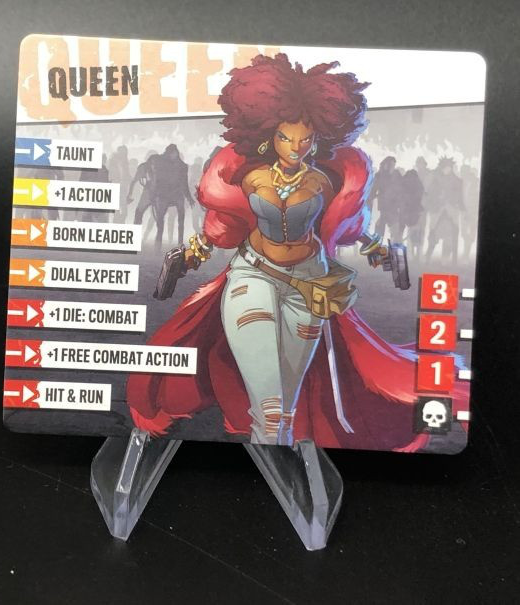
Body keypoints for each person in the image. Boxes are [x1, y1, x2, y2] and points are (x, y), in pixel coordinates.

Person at [126, 54, 468, 451]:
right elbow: (225, 222)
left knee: (286, 404)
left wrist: (379, 248)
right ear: (269, 135)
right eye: (286, 138)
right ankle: (268, 463)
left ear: (317, 137)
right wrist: (192, 253)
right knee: (270, 408)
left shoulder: (326, 182)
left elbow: (346, 223)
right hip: (252, 277)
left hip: (311, 284)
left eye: (304, 139)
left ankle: (274, 466)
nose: (295, 147)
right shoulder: (249, 178)